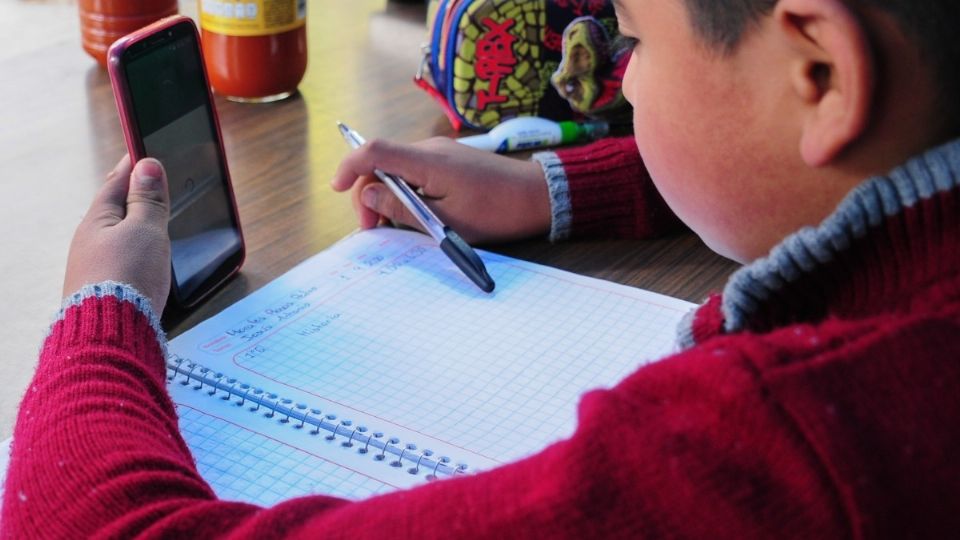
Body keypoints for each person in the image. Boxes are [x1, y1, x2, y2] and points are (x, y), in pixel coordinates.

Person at [4, 0, 959, 536]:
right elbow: (790, 160)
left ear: (823, 74)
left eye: (631, 39)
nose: (620, 76)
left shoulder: (792, 453)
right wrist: (549, 188)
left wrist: (106, 304)